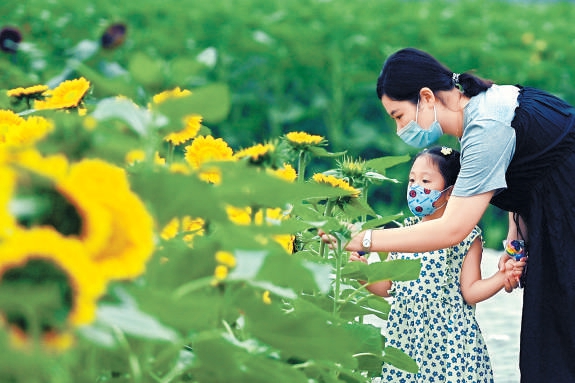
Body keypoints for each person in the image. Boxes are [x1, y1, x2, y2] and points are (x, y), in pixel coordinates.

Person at [320, 47, 575, 382]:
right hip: (557, 211)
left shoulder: (485, 127)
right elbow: (530, 173)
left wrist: (361, 239)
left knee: (558, 349)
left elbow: (451, 229)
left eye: (398, 116)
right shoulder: (482, 113)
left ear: (426, 97)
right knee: (552, 344)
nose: (400, 129)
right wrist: (517, 238)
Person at [350, 146, 524, 382]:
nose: (415, 188)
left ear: (450, 192)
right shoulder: (404, 233)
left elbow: (470, 292)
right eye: (411, 180)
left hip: (450, 344)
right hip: (407, 338)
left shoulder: (465, 237)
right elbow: (387, 287)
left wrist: (500, 278)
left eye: (425, 181)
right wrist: (362, 273)